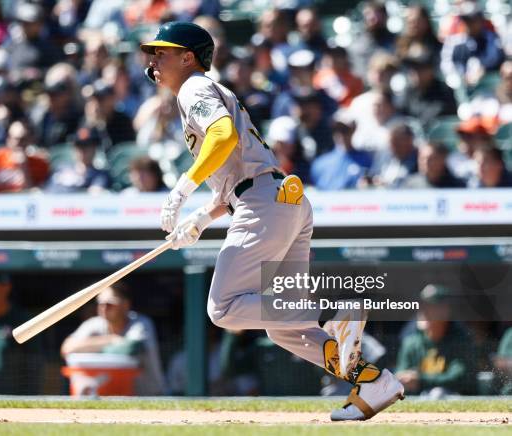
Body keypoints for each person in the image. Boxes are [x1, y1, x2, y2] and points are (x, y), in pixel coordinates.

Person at [140, 21, 403, 421]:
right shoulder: (202, 91)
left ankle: (332, 313)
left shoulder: (194, 86)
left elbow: (223, 135)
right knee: (283, 327)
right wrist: (202, 217)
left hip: (264, 203)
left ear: (188, 57)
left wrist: (182, 188)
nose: (153, 59)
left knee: (224, 308)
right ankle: (373, 381)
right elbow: (238, 172)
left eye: (162, 51)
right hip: (280, 200)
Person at [61, 284, 166, 396]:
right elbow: (67, 348)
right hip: (111, 395)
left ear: (125, 305)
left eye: (110, 304)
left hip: (148, 396)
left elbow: (129, 348)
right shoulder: (94, 323)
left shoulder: (141, 322)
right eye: (101, 304)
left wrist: (89, 348)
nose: (104, 308)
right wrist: (111, 340)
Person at [396, 284, 477, 396]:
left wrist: (420, 380)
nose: (425, 311)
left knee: (437, 393)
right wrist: (404, 379)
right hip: (418, 400)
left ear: (446, 310)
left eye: (432, 306)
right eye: (423, 306)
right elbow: (401, 374)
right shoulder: (411, 342)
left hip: (453, 399)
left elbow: (459, 378)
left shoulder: (461, 340)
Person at [440, 2, 505, 87]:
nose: (469, 24)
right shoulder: (455, 41)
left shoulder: (491, 38)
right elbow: (446, 65)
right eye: (466, 20)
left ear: (481, 20)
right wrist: (461, 75)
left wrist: (484, 69)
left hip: (490, 88)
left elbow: (497, 58)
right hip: (463, 89)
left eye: (472, 20)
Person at [310, 109, 372, 190]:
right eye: (336, 130)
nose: (340, 134)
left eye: (344, 130)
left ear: (353, 129)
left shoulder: (366, 160)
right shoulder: (319, 163)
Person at [46, 126, 109, 194]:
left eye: (87, 145)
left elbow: (94, 194)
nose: (83, 150)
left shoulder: (100, 175)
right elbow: (47, 190)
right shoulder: (60, 168)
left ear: (94, 149)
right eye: (79, 145)